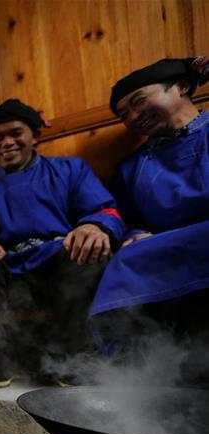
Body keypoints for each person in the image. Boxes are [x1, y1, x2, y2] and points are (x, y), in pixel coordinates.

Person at [0, 99, 126, 387]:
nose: (7, 142)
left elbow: (104, 209)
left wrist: (94, 226)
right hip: (8, 272)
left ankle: (76, 356)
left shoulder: (70, 170)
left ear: (35, 135)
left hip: (58, 263)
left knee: (89, 254)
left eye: (16, 132)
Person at [92, 57, 209, 353]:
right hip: (163, 248)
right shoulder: (131, 168)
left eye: (139, 101)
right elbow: (129, 218)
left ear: (181, 86)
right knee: (126, 259)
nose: (133, 116)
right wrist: (133, 235)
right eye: (123, 114)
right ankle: (138, 375)